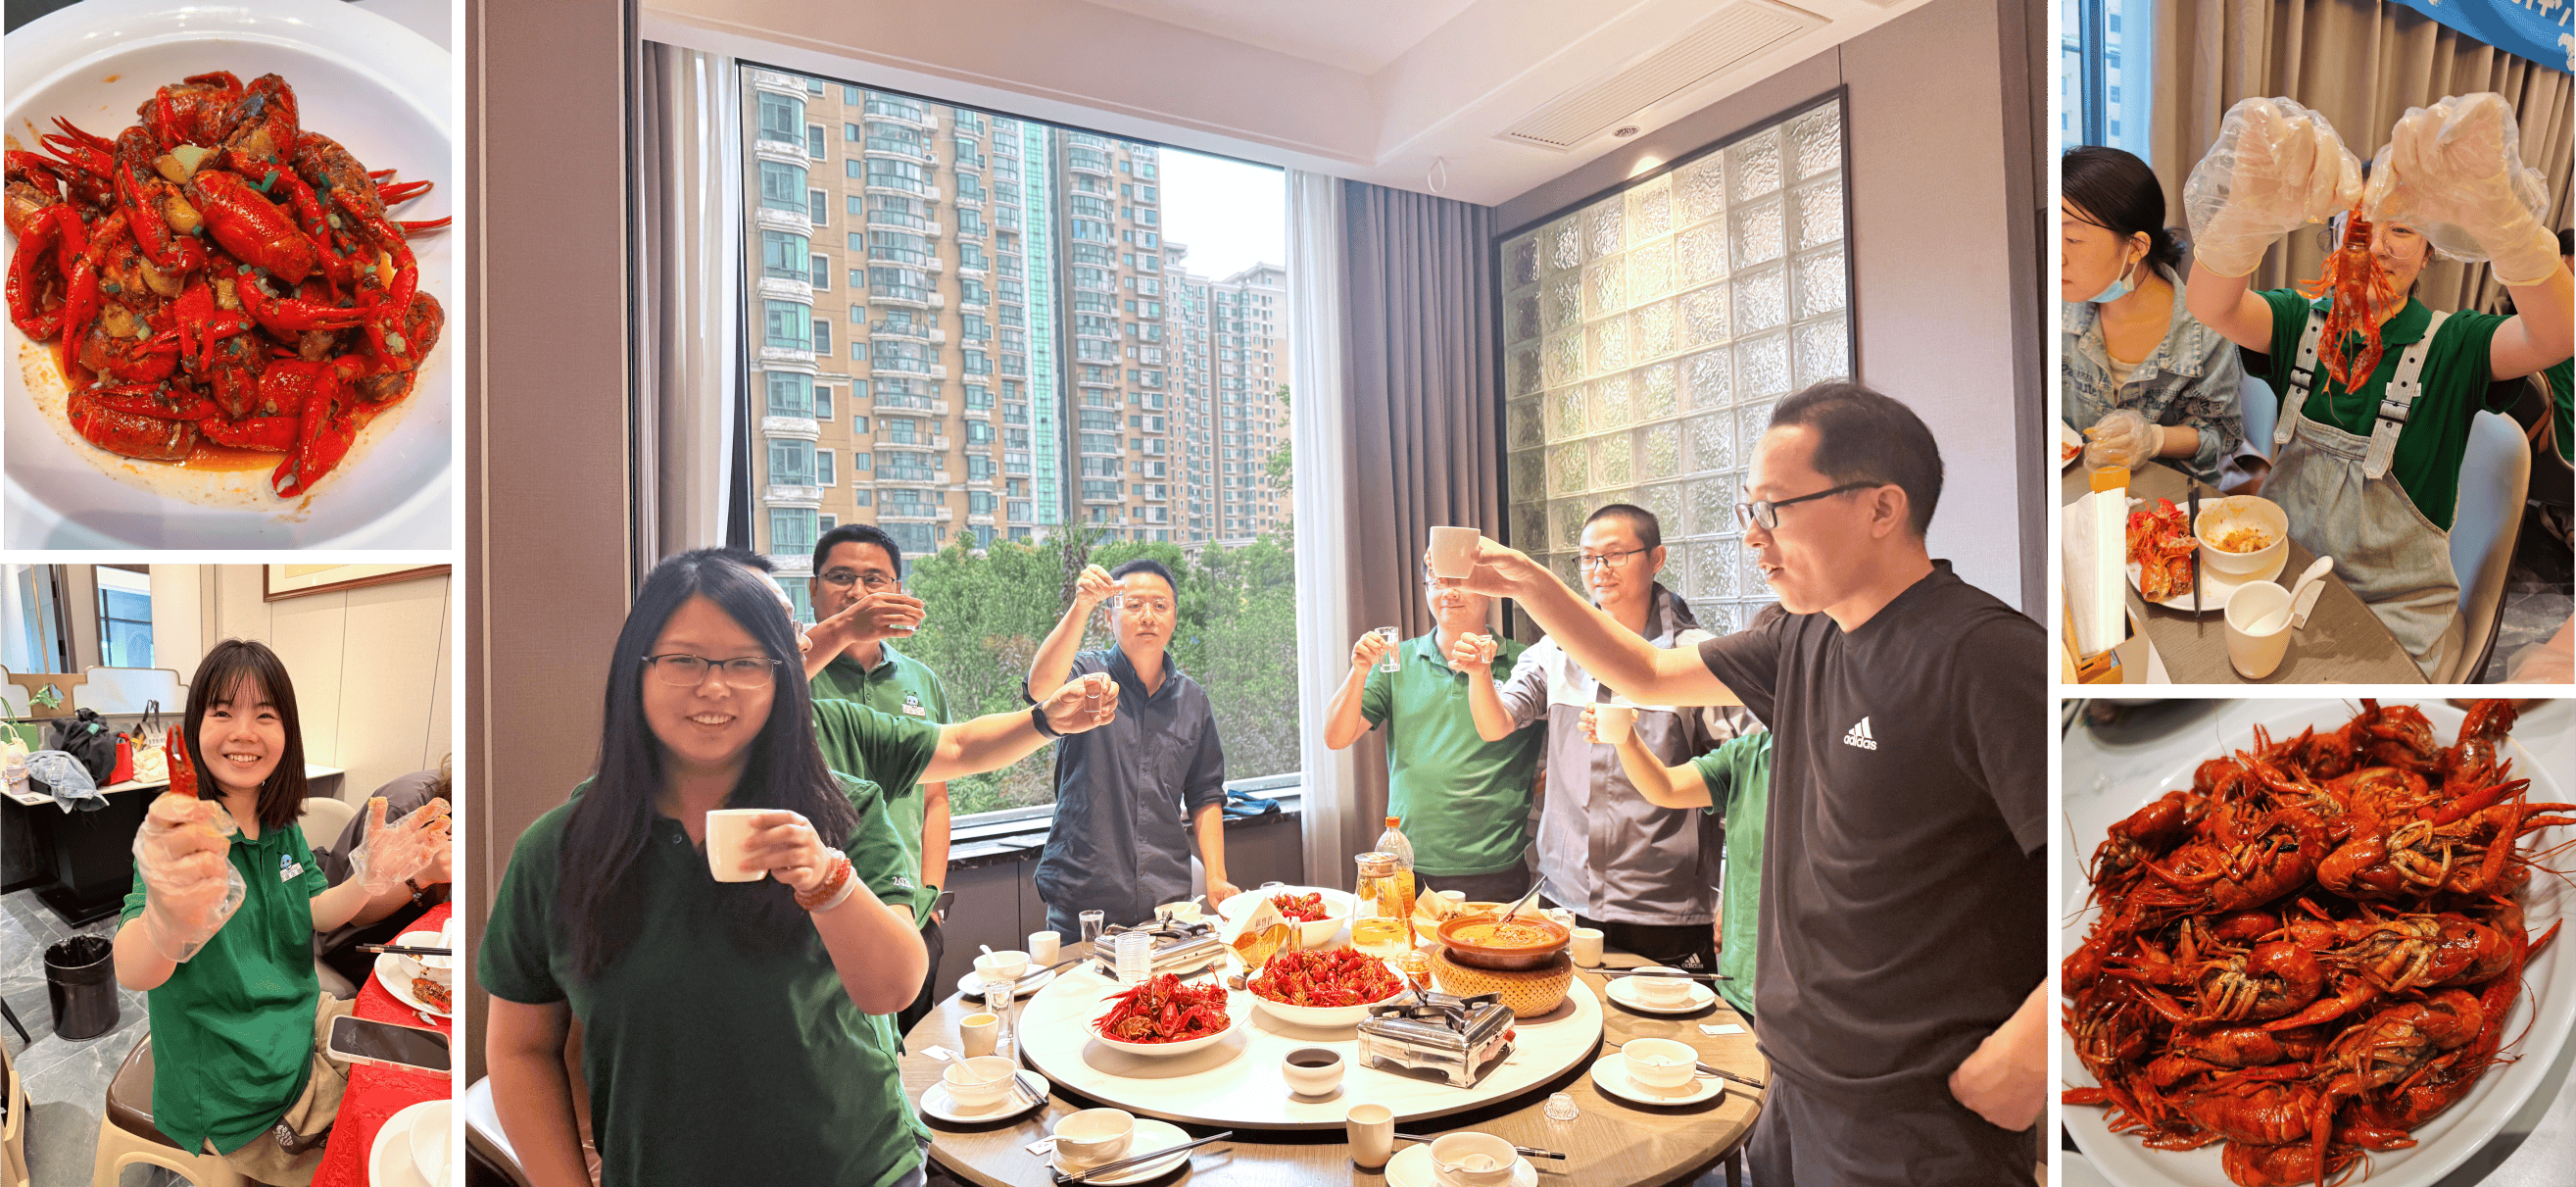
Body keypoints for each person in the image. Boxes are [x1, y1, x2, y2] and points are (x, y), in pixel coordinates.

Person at [1444, 381, 2046, 1184]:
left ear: (1881, 507)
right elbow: (1647, 671)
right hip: (1790, 1074)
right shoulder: (1798, 638)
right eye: (1747, 509)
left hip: (1919, 1110)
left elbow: (2111, 875)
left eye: (1775, 509)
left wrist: (2029, 1054)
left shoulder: (1986, 655)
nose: (1753, 535)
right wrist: (1528, 582)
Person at [479, 554, 1112, 1187]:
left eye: (746, 662)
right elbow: (521, 1046)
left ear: (782, 677)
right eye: (683, 659)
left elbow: (893, 988)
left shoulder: (843, 809)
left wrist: (828, 880)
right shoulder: (561, 848)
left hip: (859, 1169)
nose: (714, 686)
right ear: (634, 671)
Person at [2184, 94, 2576, 677]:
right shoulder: (2298, 322)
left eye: (2402, 229)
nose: (2375, 245)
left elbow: (2558, 336)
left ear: (2429, 251)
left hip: (2395, 619)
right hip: (2284, 582)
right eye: (2357, 226)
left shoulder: (2455, 345)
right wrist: (2245, 214)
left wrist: (2508, 226)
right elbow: (2211, 306)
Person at [118, 639, 449, 1187]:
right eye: (223, 712)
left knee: (428, 1058)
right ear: (195, 726)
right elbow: (132, 969)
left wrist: (367, 879)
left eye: (265, 715)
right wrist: (165, 922)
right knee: (383, 1154)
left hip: (303, 1023)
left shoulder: (281, 825)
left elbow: (318, 911)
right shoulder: (181, 839)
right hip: (240, 1089)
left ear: (287, 734)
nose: (244, 732)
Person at [1458, 504, 1733, 974]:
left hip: (1665, 903)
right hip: (1566, 894)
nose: (1599, 569)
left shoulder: (1694, 658)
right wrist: (1479, 673)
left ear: (1656, 558)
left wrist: (1732, 894)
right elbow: (1495, 724)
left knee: (1673, 1023)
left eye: (1615, 555)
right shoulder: (1553, 651)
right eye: (1587, 558)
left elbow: (1743, 780)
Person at [1580, 604, 1784, 1019]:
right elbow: (1666, 787)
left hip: (1812, 995)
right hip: (1742, 981)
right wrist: (1625, 738)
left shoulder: (1843, 764)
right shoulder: (1749, 754)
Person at [797, 523, 954, 1035]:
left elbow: (936, 798)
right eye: (841, 577)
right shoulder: (793, 677)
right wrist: (844, 629)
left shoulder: (922, 680)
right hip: (818, 918)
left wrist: (930, 896)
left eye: (874, 579)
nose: (857, 591)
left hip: (911, 914)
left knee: (915, 1052)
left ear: (898, 591)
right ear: (813, 589)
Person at [1025, 557, 1233, 935]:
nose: (1148, 616)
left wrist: (1216, 877)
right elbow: (1040, 688)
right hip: (1083, 908)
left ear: (1174, 617)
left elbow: (1205, 794)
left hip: (1167, 907)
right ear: (1109, 617)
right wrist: (1081, 606)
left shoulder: (1192, 700)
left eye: (1160, 605)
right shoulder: (1086, 677)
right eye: (1134, 605)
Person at [1322, 555, 1544, 904]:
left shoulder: (1525, 664)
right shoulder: (1397, 661)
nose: (1449, 593)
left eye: (1461, 581)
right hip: (1408, 865)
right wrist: (1359, 671)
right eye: (1438, 582)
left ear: (1489, 588)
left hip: (1495, 868)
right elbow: (1336, 737)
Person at [2062, 145, 2250, 489]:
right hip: (2078, 492)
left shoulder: (2204, 330)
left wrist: (2153, 439)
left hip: (2168, 500)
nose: (2057, 256)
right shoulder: (2053, 310)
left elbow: (2219, 436)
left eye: (2073, 239)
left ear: (2136, 247)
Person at [315, 757, 455, 988]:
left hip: (418, 930)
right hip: (353, 939)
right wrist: (422, 876)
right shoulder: (409, 806)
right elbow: (356, 915)